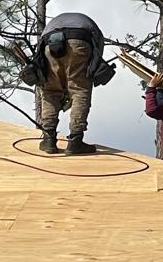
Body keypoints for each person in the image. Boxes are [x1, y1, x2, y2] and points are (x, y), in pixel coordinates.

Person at [32, 11, 108, 156]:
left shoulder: (55, 22)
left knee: (50, 91)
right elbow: (97, 55)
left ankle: (48, 140)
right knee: (79, 90)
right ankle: (75, 141)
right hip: (81, 40)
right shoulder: (91, 26)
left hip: (48, 42)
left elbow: (40, 52)